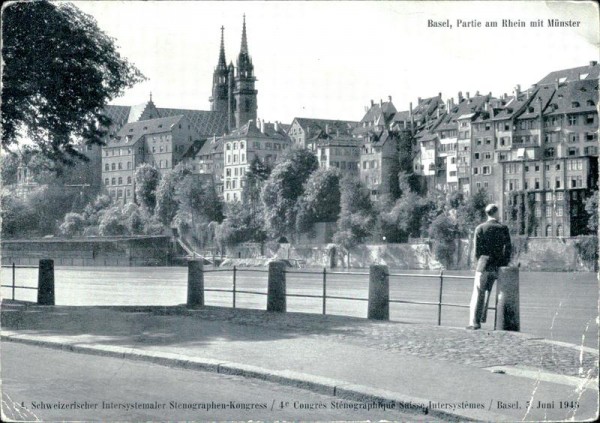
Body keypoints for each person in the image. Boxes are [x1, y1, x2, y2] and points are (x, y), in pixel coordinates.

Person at [467, 203, 512, 330]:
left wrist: (479, 263)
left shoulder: (480, 228)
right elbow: (508, 248)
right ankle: (500, 323)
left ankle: (476, 322)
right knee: (499, 294)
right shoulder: (503, 228)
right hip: (498, 266)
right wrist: (503, 263)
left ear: (487, 214)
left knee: (479, 292)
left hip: (483, 265)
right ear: (496, 213)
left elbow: (476, 251)